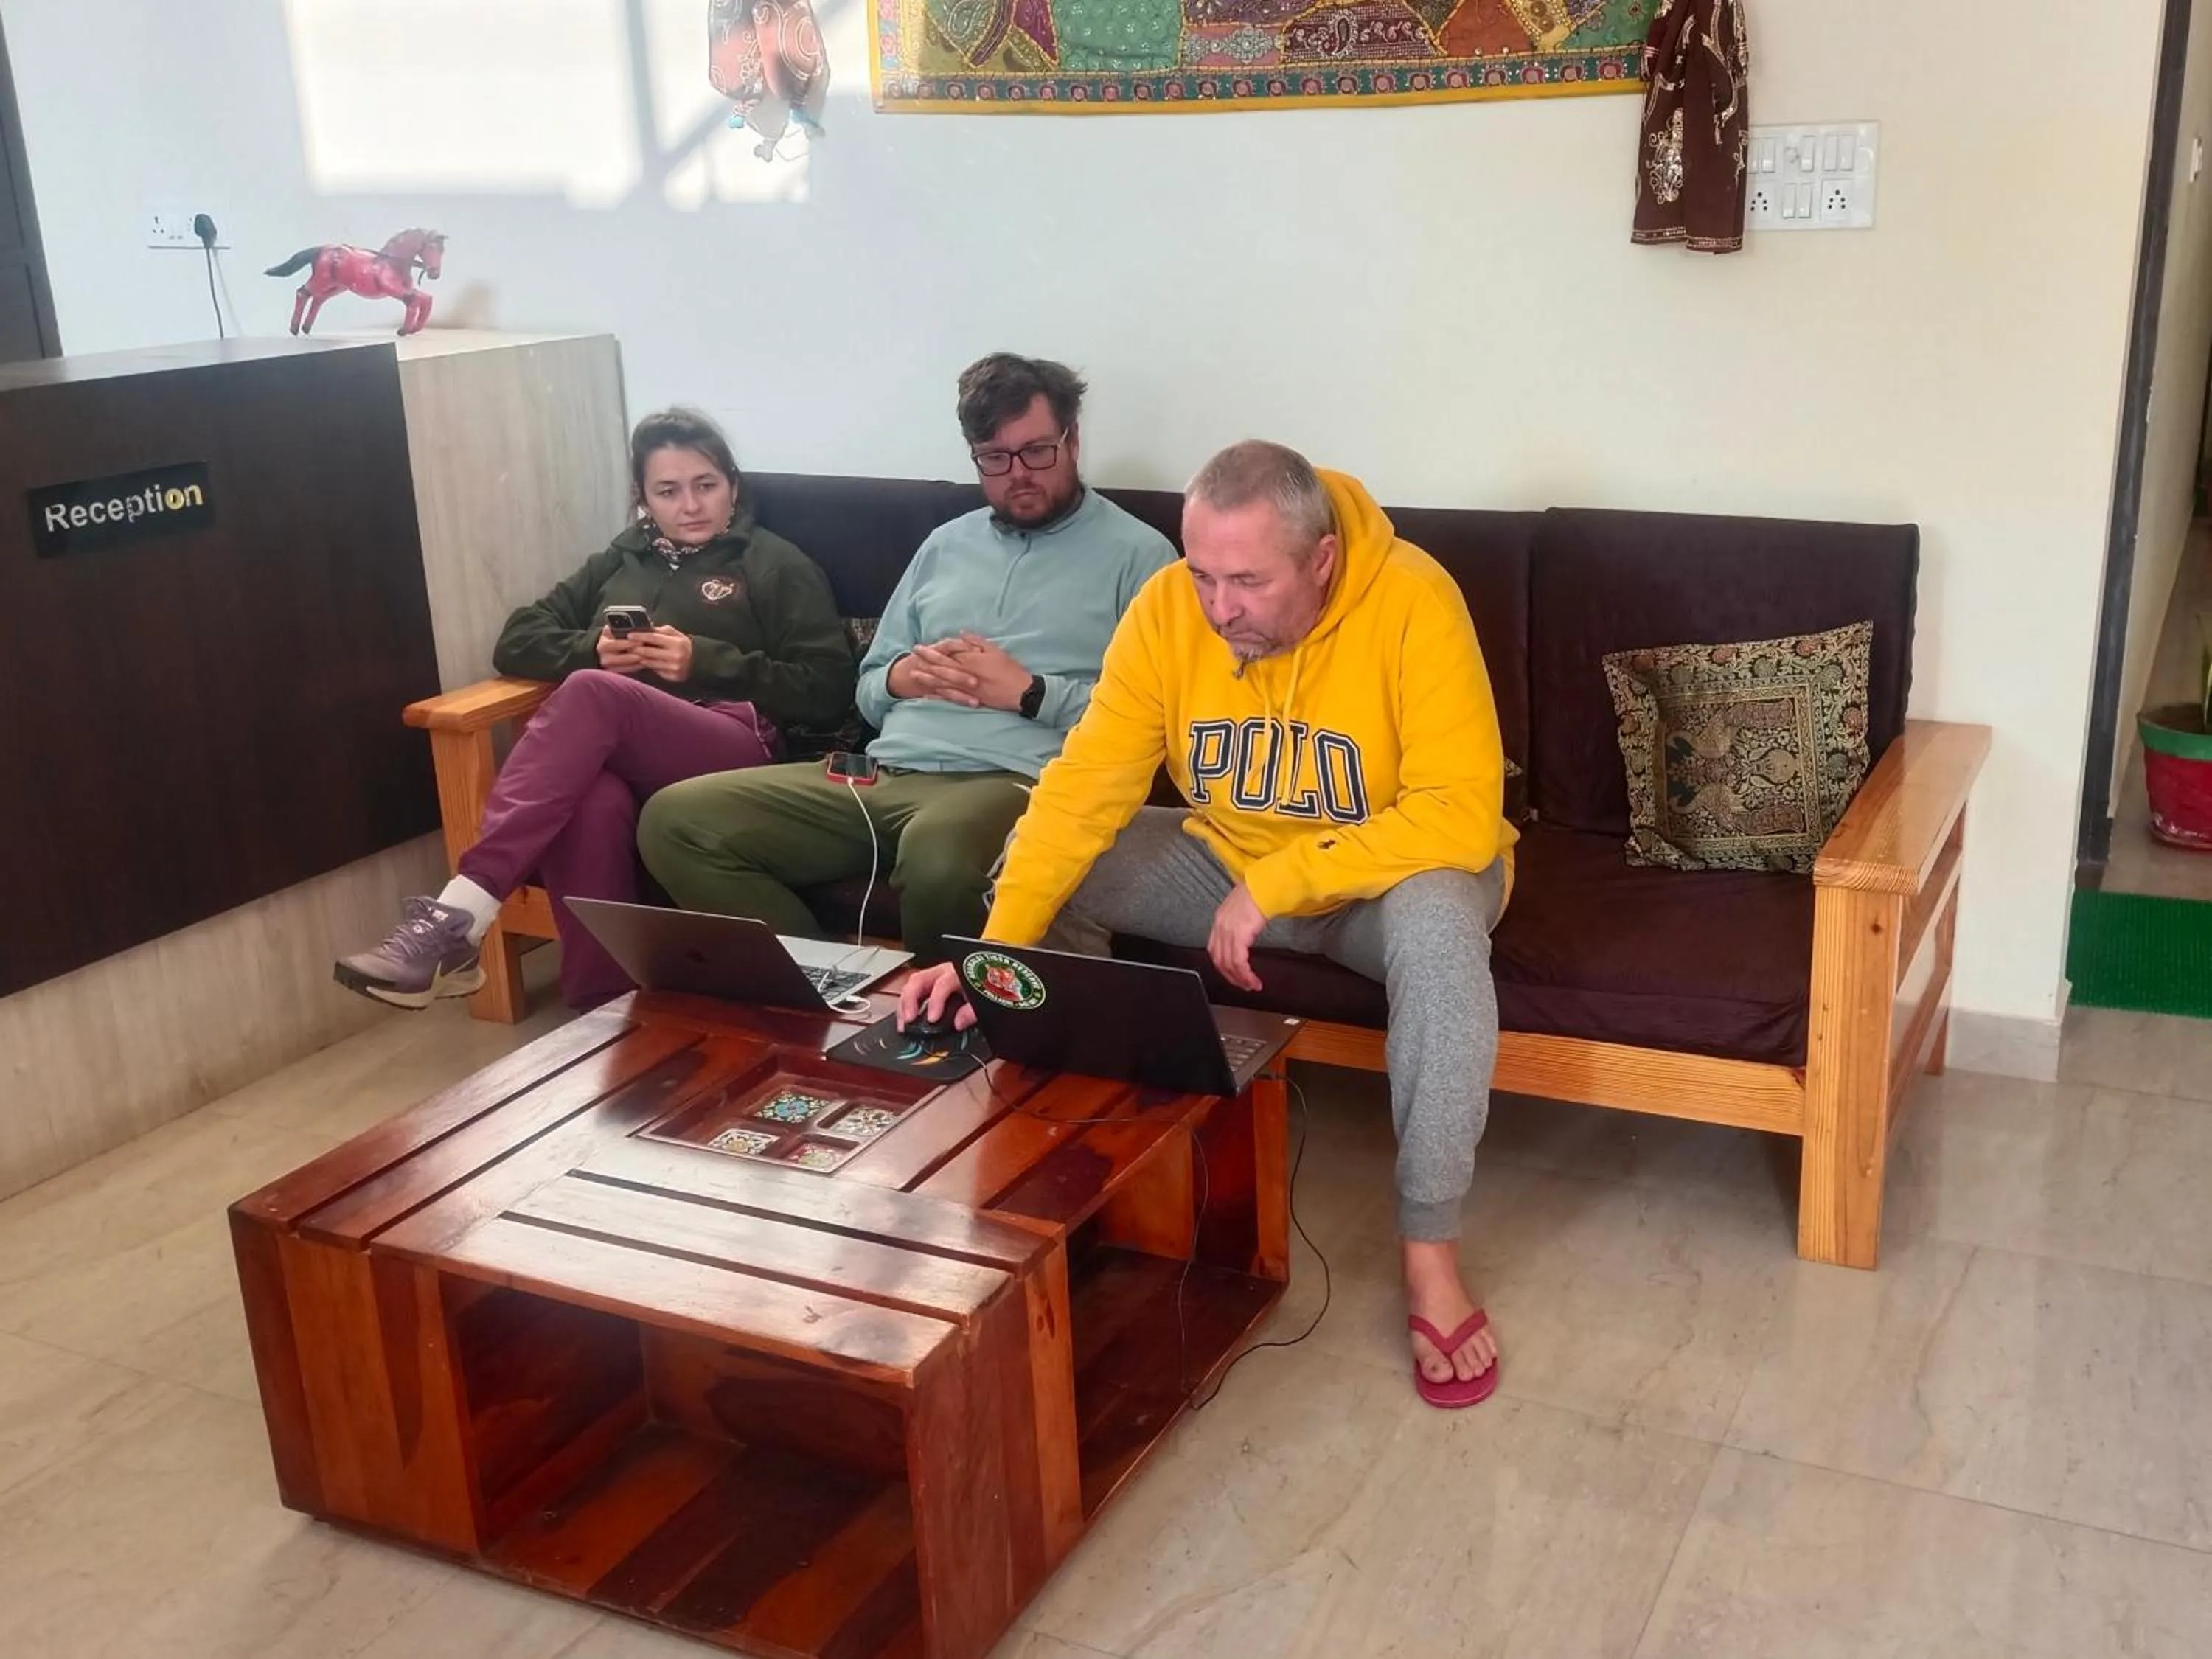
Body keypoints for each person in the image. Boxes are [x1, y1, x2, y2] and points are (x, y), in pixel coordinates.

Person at [899, 440, 1517, 1409]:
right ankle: (1089, 1159)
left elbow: (1459, 812)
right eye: (1202, 575)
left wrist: (1285, 882)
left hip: (1388, 875)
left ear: (1319, 562)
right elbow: (1084, 787)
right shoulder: (1168, 612)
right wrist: (994, 953)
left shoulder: (1412, 597)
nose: (1218, 607)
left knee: (1441, 930)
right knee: (1061, 868)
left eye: (1247, 581)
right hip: (1226, 856)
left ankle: (1430, 1251)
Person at [638, 354, 1177, 962]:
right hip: (883, 774)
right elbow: (865, 688)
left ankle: (957, 1034)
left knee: (938, 852)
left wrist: (1028, 692)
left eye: (1037, 452)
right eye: (994, 459)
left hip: (1014, 782)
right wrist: (899, 677)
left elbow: (1155, 722)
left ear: (1073, 440)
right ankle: (829, 988)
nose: (1018, 474)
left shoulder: (1142, 557)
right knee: (676, 820)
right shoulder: (946, 544)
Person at [335, 408, 855, 1011]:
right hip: (626, 750)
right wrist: (594, 648)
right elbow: (518, 638)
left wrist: (704, 662)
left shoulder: (774, 564)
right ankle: (604, 1019)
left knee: (588, 692)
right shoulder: (620, 559)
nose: (691, 505)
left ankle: (461, 913)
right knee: (590, 799)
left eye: (706, 485)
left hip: (736, 745)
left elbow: (828, 688)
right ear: (643, 499)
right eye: (668, 491)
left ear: (733, 487)